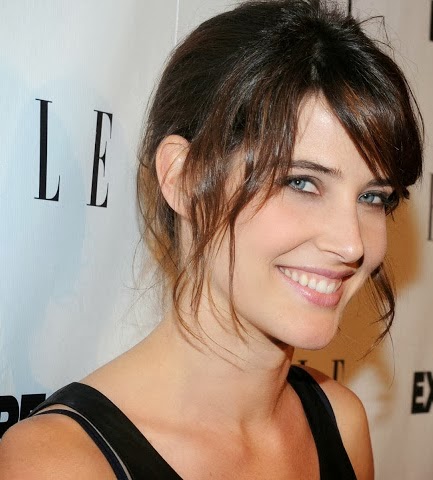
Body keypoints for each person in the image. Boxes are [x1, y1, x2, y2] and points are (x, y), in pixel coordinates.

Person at [0, 0, 423, 478]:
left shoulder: (342, 422)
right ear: (182, 177)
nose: (352, 244)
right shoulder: (59, 464)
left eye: (373, 197)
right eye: (301, 182)